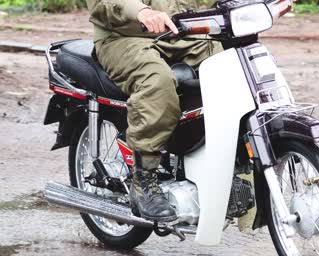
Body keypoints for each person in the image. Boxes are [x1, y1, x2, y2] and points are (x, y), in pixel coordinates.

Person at [85, 0, 222, 222]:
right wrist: (142, 12)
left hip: (183, 33)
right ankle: (143, 181)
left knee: (233, 63)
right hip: (125, 38)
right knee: (157, 82)